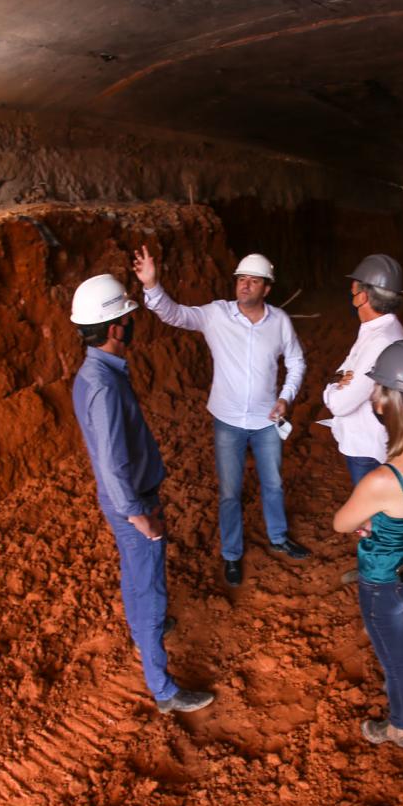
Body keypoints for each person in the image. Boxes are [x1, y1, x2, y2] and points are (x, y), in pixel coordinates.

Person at [70, 273, 214, 714]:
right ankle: (164, 689)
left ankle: (145, 627)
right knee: (148, 583)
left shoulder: (92, 373)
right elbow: (112, 462)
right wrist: (139, 515)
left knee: (136, 574)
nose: (132, 323)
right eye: (128, 317)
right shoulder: (105, 387)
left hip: (123, 498)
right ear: (115, 328)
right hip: (130, 501)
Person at [133, 245, 309, 588]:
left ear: (267, 289)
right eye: (241, 279)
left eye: (253, 281)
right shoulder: (216, 314)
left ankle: (278, 536)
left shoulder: (280, 322)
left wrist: (286, 398)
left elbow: (297, 362)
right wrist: (152, 285)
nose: (244, 285)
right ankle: (231, 554)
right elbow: (174, 314)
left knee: (273, 483)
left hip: (266, 421)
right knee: (230, 491)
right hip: (227, 421)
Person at [332, 340, 403, 749]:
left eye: (379, 390)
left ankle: (399, 727)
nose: (375, 398)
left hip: (386, 579)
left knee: (393, 657)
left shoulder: (383, 480)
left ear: (392, 402)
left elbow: (341, 522)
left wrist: (370, 518)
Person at [323, 254, 403, 486]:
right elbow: (344, 370)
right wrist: (339, 379)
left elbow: (340, 404)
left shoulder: (380, 341)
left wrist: (331, 387)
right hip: (371, 443)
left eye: (354, 289)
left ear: (363, 296)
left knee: (371, 519)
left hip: (367, 449)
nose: (350, 293)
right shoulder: (380, 330)